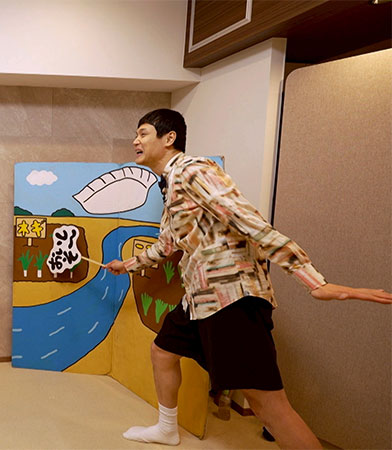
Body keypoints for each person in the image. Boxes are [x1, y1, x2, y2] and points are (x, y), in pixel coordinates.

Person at [103, 108, 392, 449]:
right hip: (199, 297)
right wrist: (129, 265)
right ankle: (167, 429)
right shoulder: (170, 181)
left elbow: (247, 220)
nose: (135, 141)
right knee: (163, 351)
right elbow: (169, 242)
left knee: (267, 404)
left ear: (169, 138)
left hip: (230, 298)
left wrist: (313, 280)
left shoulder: (194, 170)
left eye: (143, 133)